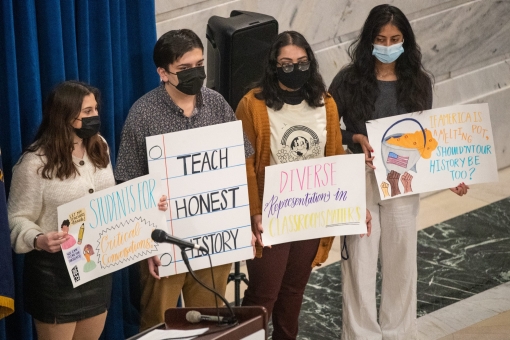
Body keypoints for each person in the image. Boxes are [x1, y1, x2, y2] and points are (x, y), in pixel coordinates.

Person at [328, 5, 469, 339]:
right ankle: (361, 335)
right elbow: (328, 127)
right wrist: (354, 138)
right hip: (360, 178)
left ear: (405, 40)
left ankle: (400, 333)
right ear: (368, 41)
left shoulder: (417, 81)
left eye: (394, 38)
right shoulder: (348, 80)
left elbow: (425, 136)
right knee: (359, 264)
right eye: (380, 38)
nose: (387, 45)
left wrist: (448, 172)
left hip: (404, 181)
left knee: (402, 263)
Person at [114, 28, 254, 331]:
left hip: (214, 238)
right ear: (163, 73)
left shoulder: (217, 104)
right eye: (185, 69)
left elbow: (239, 163)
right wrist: (146, 243)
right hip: (164, 239)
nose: (196, 73)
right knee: (159, 322)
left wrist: (242, 224)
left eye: (199, 65)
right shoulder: (142, 114)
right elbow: (126, 182)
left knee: (209, 319)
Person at [236, 31, 372, 340]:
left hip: (311, 214)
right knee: (264, 294)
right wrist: (254, 213)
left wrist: (355, 204)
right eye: (286, 63)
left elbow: (336, 156)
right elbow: (244, 165)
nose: (295, 69)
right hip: (270, 216)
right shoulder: (252, 104)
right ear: (273, 66)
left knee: (294, 291)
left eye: (301, 62)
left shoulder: (325, 102)